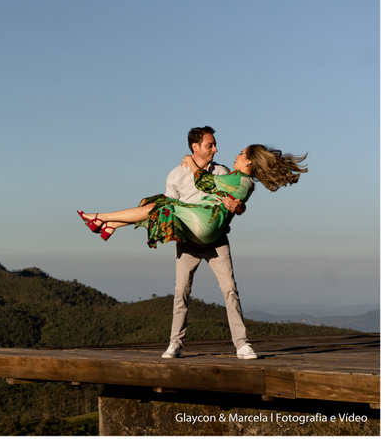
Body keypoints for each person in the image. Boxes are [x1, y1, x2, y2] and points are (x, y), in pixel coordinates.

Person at [76, 127, 307, 360]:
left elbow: (236, 197)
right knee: (181, 291)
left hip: (216, 240)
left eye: (215, 145)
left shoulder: (223, 170)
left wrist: (239, 208)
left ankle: (242, 344)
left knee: (230, 290)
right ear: (196, 147)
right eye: (210, 145)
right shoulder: (176, 175)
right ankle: (175, 343)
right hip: (188, 238)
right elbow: (168, 211)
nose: (216, 149)